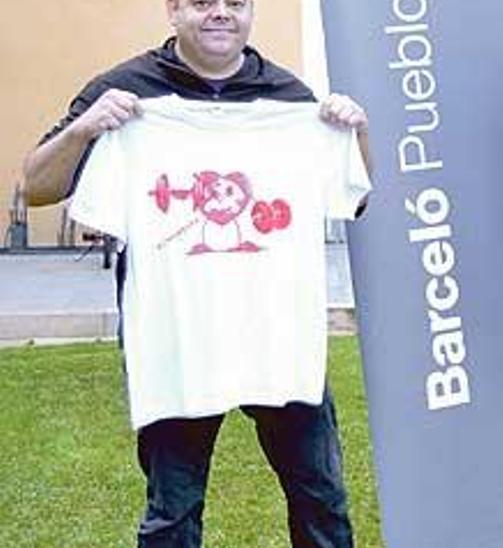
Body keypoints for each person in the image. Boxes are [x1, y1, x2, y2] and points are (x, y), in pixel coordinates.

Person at [21, 1, 370, 546]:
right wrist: (85, 130)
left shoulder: (289, 100)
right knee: (173, 513)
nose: (221, 14)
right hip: (177, 340)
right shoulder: (127, 94)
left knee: (321, 499)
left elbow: (358, 195)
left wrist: (354, 134)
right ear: (174, 9)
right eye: (203, 1)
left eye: (236, 2)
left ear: (251, 11)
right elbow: (36, 186)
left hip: (276, 335)